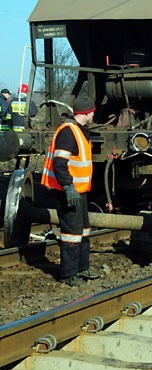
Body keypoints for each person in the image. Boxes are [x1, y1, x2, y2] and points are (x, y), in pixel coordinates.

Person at [41, 95, 101, 286]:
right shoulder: (68, 132)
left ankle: (82, 268)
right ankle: (68, 274)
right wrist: (68, 187)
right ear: (87, 112)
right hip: (69, 191)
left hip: (79, 191)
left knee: (83, 231)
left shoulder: (80, 130)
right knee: (71, 234)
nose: (93, 114)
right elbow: (60, 164)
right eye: (92, 111)